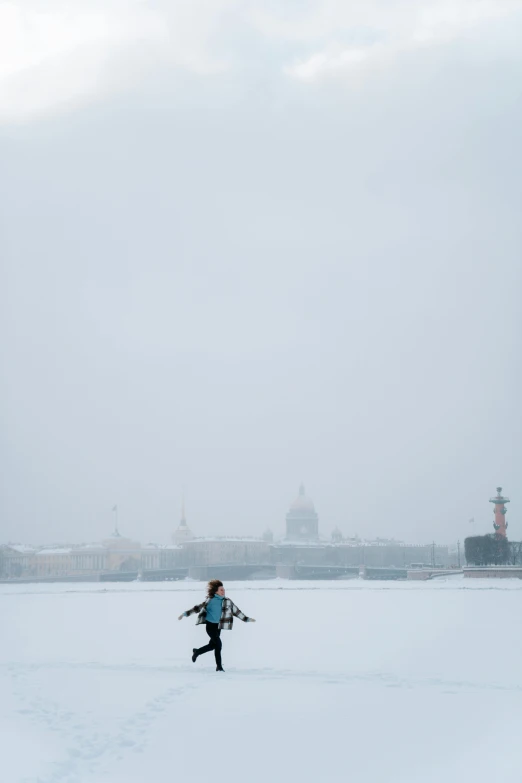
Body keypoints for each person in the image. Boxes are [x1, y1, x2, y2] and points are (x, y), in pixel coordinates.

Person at [178, 579, 255, 672]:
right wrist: (185, 614)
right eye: (221, 590)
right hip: (210, 627)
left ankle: (197, 652)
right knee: (218, 645)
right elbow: (198, 608)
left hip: (218, 627)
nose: (223, 591)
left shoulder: (227, 601)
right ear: (216, 591)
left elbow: (236, 611)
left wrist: (246, 619)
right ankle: (219, 667)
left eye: (224, 589)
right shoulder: (210, 600)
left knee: (213, 645)